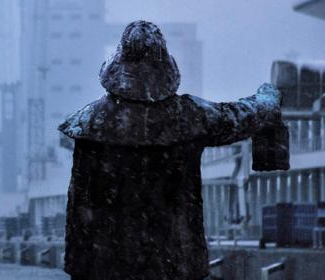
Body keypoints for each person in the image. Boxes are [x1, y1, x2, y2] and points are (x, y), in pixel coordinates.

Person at [58, 21, 288, 280]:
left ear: (119, 63)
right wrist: (267, 99)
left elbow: (79, 214)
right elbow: (240, 116)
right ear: (164, 64)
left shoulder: (91, 122)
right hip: (173, 263)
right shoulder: (187, 116)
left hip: (105, 265)